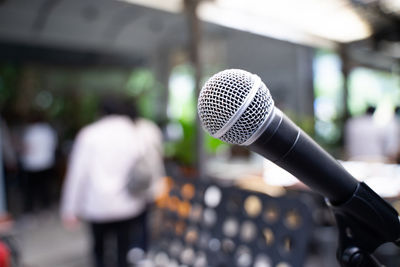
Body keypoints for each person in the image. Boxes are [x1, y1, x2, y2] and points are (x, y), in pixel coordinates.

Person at [60, 95, 165, 267]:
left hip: (96, 205)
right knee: (124, 251)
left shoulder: (89, 134)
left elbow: (78, 174)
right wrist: (154, 190)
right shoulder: (134, 132)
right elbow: (148, 165)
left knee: (99, 250)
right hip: (128, 204)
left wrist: (70, 208)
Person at [19, 112, 58, 213]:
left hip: (32, 165)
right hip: (47, 162)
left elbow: (26, 148)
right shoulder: (48, 130)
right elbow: (54, 145)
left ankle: (30, 209)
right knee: (45, 187)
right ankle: (46, 206)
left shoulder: (30, 131)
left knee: (30, 189)